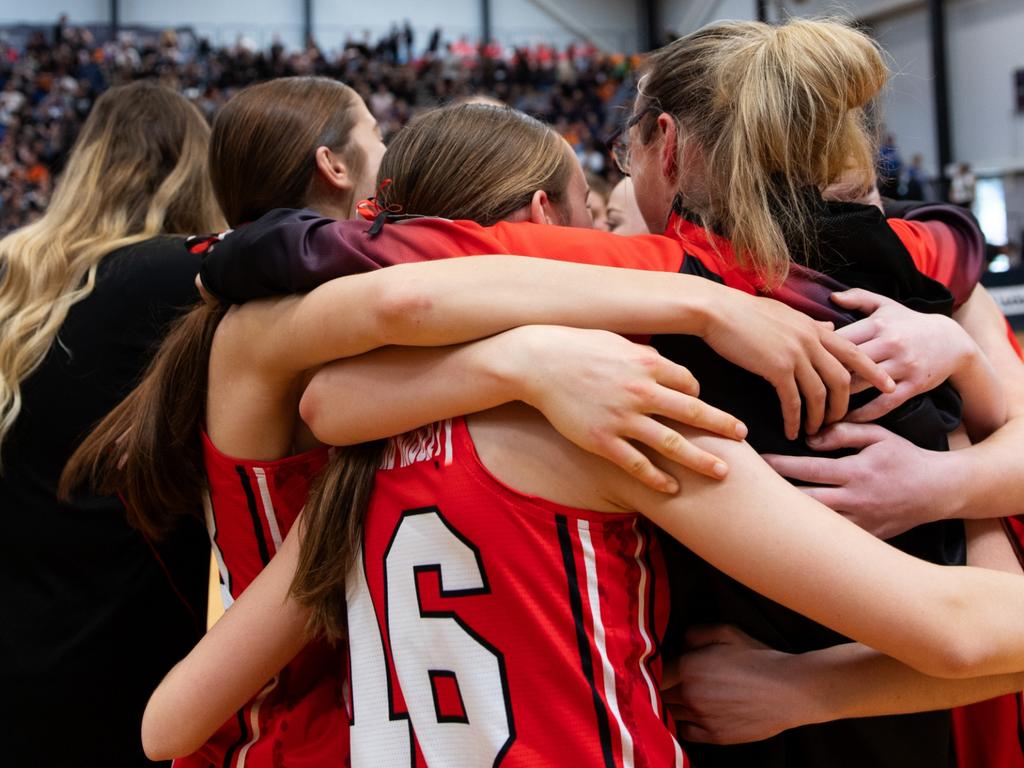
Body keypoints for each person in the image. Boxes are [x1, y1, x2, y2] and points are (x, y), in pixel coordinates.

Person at [191, 21, 1021, 767]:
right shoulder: (931, 259)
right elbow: (962, 246)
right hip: (943, 709)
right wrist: (958, 457)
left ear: (665, 146)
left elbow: (334, 298)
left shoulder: (664, 279)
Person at [65, 86, 870, 767]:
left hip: (342, 701)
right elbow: (398, 305)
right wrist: (694, 304)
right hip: (294, 717)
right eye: (376, 136)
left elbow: (348, 384)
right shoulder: (274, 328)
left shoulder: (366, 387)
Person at [0, 82, 223, 767]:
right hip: (118, 653)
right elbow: (301, 253)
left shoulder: (17, 267)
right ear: (193, 167)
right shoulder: (168, 270)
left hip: (21, 636)